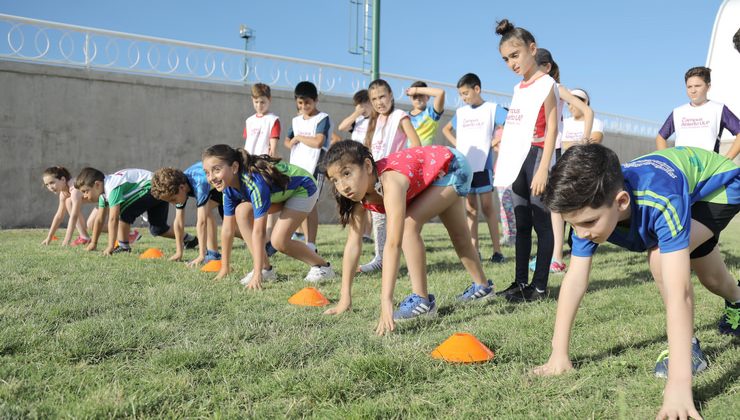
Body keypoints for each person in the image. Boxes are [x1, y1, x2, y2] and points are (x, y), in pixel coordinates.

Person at [534, 144, 739, 420]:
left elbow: (680, 292)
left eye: (590, 222)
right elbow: (575, 280)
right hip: (682, 188)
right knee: (713, 279)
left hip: (719, 186)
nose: (581, 234)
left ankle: (688, 349)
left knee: (659, 258)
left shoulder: (660, 198)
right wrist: (558, 354)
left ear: (621, 202)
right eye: (575, 225)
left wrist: (679, 383)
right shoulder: (590, 210)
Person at [322, 140, 495, 335]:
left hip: (452, 165)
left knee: (408, 226)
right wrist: (345, 298)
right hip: (438, 170)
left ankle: (422, 299)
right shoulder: (357, 196)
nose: (343, 186)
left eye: (346, 174)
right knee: (460, 236)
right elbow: (353, 244)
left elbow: (393, 244)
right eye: (335, 180)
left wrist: (386, 301)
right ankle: (483, 287)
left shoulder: (391, 182)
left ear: (368, 166)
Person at [201, 144, 335, 287]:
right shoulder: (228, 189)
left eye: (216, 170)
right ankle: (266, 269)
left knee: (278, 241)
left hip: (303, 188)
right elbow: (227, 229)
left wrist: (256, 274)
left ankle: (322, 267)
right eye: (207, 172)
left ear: (234, 167)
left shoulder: (253, 182)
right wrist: (224, 267)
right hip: (280, 193)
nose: (211, 177)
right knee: (241, 211)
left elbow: (259, 231)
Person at [493, 19, 558, 302]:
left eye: (515, 55)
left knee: (541, 221)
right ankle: (520, 283)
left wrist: (544, 167)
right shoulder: (519, 88)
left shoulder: (547, 84)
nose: (511, 63)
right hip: (517, 159)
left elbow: (553, 127)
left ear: (533, 49)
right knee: (521, 223)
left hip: (538, 157)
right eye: (506, 59)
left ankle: (540, 287)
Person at [531, 49, 597, 274]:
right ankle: (555, 256)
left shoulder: (557, 89)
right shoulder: (531, 90)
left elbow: (588, 112)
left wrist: (585, 142)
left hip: (555, 151)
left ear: (546, 67)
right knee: (553, 207)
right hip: (540, 150)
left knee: (557, 206)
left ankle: (557, 257)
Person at [358, 79, 422, 273]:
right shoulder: (373, 122)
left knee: (401, 220)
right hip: (376, 178)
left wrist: (406, 170)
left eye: (382, 96)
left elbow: (416, 145)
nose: (379, 102)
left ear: (391, 95)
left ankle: (409, 261)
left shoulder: (400, 117)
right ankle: (380, 258)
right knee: (378, 219)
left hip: (395, 177)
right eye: (374, 99)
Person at [441, 73, 506, 263]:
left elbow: (510, 124)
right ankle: (474, 250)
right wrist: (458, 145)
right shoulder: (461, 112)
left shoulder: (492, 109)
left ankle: (497, 251)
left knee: (487, 207)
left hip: (483, 165)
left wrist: (494, 141)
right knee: (470, 208)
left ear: (477, 89)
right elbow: (446, 129)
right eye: (461, 94)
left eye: (466, 93)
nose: (463, 98)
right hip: (465, 166)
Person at [75, 168, 191, 255]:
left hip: (154, 188)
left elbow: (113, 219)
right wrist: (93, 243)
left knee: (124, 211)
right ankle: (190, 239)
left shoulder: (112, 187)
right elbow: (100, 220)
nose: (85, 196)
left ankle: (124, 246)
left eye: (86, 191)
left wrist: (110, 246)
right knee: (158, 229)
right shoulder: (103, 194)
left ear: (97, 184)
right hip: (156, 192)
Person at [284, 81, 331, 254]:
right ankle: (304, 238)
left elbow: (318, 142)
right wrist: (294, 140)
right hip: (297, 168)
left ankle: (311, 243)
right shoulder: (296, 121)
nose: (304, 106)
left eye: (307, 103)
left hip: (315, 166)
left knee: (311, 204)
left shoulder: (322, 118)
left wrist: (299, 138)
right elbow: (287, 142)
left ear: (316, 100)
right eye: (300, 103)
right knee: (301, 203)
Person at [655, 66, 740, 160]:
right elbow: (660, 137)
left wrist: (727, 159)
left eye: (698, 86)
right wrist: (668, 159)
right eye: (689, 87)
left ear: (708, 86)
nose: (693, 90)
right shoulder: (678, 112)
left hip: (708, 169)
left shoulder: (719, 109)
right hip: (683, 168)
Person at [150, 162, 227, 266]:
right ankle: (213, 254)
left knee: (234, 228)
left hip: (229, 183)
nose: (173, 204)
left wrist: (201, 255)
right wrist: (179, 252)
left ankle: (211, 254)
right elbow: (178, 222)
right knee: (206, 210)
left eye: (173, 199)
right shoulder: (180, 185)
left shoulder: (199, 183)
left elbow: (202, 222)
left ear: (182, 188)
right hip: (217, 187)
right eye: (170, 201)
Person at [337, 89, 374, 242]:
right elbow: (342, 127)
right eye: (358, 104)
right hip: (354, 165)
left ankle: (367, 234)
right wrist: (357, 113)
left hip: (369, 164)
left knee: (371, 200)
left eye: (364, 104)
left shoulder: (375, 120)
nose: (361, 107)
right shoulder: (357, 121)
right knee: (359, 201)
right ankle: (358, 232)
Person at [41, 166, 90, 247]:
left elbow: (74, 216)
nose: (50, 187)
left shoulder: (74, 188)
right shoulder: (63, 193)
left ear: (63, 179)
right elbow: (59, 216)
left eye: (52, 182)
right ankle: (84, 237)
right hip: (102, 200)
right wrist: (49, 237)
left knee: (91, 224)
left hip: (108, 197)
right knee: (68, 201)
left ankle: (118, 236)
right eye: (47, 185)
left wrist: (66, 240)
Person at [243, 83, 280, 157]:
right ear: (252, 99)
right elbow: (247, 143)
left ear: (269, 99)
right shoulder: (249, 121)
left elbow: (273, 150)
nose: (259, 106)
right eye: (256, 102)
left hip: (263, 162)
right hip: (249, 162)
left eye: (262, 102)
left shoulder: (273, 120)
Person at [406, 81, 445, 146]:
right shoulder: (404, 116)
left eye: (421, 95)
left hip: (425, 155)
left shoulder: (431, 113)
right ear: (410, 98)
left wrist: (416, 90)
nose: (418, 98)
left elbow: (440, 93)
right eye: (415, 96)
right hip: (406, 154)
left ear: (428, 97)